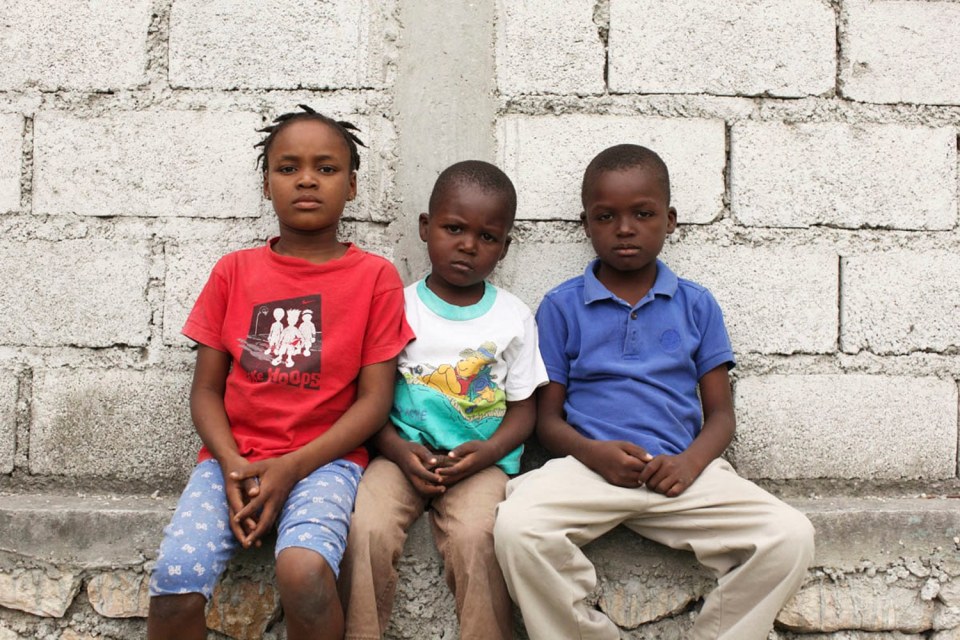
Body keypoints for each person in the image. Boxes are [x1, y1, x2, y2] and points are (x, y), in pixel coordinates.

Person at [494, 144, 815, 640]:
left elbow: (721, 417)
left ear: (670, 220)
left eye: (642, 214)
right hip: (589, 472)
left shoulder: (696, 305)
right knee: (517, 529)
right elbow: (547, 421)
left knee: (790, 537)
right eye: (606, 216)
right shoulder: (561, 307)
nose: (625, 228)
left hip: (681, 475)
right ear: (586, 224)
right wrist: (594, 454)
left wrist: (690, 463)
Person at [147, 105, 414, 640]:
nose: (307, 179)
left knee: (305, 571)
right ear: (266, 185)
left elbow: (374, 402)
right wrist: (231, 465)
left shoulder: (375, 279)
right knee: (176, 578)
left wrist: (291, 468)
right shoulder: (234, 272)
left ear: (353, 185)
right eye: (288, 168)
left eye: (326, 168)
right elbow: (205, 391)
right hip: (233, 461)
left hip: (325, 463)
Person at [339, 161, 549, 640]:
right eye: (454, 228)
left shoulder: (513, 318)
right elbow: (368, 395)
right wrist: (393, 448)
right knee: (365, 529)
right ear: (425, 227)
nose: (468, 245)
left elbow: (524, 409)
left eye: (487, 237)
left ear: (505, 247)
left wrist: (490, 453)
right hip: (400, 454)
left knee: (479, 539)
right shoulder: (397, 305)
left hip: (479, 463)